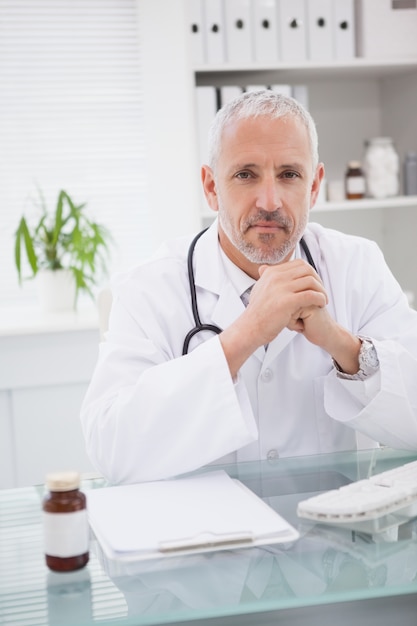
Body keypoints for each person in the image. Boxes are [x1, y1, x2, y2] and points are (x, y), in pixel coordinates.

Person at [81, 90, 417, 485]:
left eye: (289, 175)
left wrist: (343, 345)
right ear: (211, 186)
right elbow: (112, 450)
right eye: (246, 174)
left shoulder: (356, 266)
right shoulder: (148, 289)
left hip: (336, 540)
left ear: (314, 186)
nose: (269, 201)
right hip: (206, 541)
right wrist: (244, 335)